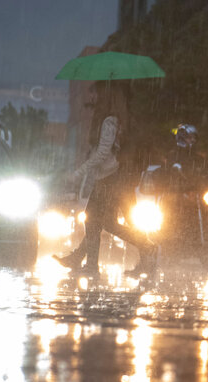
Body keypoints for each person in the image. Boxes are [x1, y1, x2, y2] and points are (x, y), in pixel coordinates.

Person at [53, 81, 157, 277]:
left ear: (104, 97)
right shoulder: (112, 119)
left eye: (94, 93)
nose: (91, 97)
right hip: (112, 178)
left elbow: (102, 153)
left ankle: (143, 246)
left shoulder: (109, 121)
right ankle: (85, 261)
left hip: (111, 178)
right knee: (97, 221)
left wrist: (78, 173)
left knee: (99, 221)